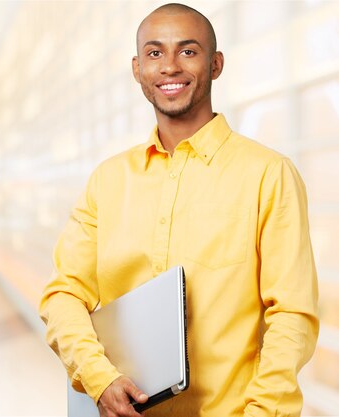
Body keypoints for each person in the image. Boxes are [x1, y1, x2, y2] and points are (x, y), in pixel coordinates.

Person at [38, 3, 319, 417]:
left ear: (216, 64)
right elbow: (64, 294)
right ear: (137, 69)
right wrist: (100, 379)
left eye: (188, 51)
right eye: (155, 53)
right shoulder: (108, 180)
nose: (169, 66)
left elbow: (292, 314)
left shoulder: (268, 174)